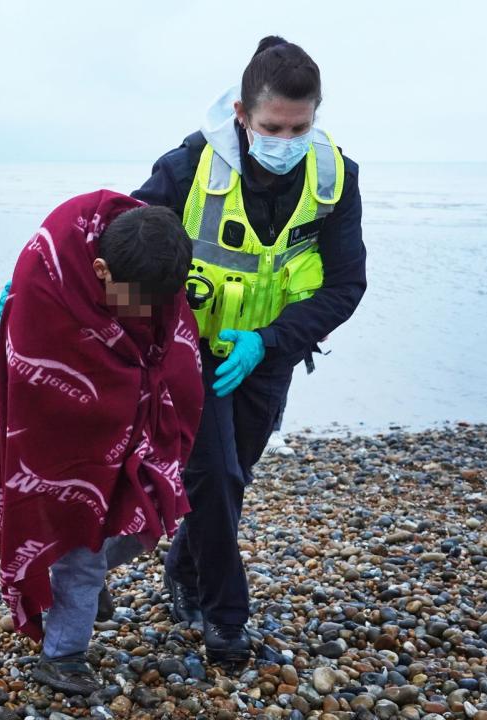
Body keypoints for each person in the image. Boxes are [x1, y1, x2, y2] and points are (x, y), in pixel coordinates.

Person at [131, 36, 367, 664]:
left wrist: (270, 343)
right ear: (242, 113)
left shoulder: (336, 178)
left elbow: (346, 284)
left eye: (301, 126)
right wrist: (48, 275)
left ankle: (183, 569)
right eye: (272, 127)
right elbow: (124, 241)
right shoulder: (184, 170)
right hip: (192, 351)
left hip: (268, 353)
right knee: (216, 473)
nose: (286, 141)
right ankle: (225, 621)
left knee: (235, 477)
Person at [0, 192, 203, 695]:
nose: (151, 312)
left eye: (161, 302)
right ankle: (62, 655)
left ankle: (75, 575)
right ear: (103, 270)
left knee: (150, 511)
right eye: (141, 301)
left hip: (138, 412)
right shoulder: (48, 271)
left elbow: (168, 346)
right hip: (63, 434)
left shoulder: (153, 256)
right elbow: (37, 379)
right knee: (81, 536)